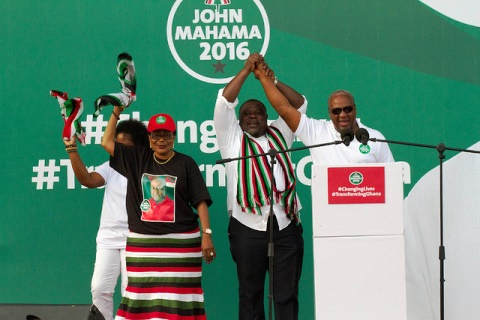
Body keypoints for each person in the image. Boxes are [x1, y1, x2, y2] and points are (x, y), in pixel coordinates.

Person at [213, 53, 305, 320]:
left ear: (268, 116)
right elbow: (223, 102)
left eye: (258, 112)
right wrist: (246, 71)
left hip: (286, 224)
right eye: (247, 114)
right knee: (251, 295)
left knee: (287, 295)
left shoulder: (282, 132)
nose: (253, 117)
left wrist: (271, 80)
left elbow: (299, 105)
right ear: (239, 121)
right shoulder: (231, 139)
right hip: (247, 226)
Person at [101, 107, 215, 320]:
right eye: (156, 135)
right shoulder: (137, 158)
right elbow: (106, 143)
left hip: (182, 245)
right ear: (149, 138)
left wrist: (206, 233)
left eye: (166, 135)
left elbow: (200, 200)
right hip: (143, 245)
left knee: (179, 299)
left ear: (174, 137)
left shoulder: (186, 163)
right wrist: (116, 112)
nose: (161, 140)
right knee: (140, 299)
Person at [63, 119, 149, 320]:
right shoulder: (110, 166)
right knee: (99, 288)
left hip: (136, 238)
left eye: (124, 147)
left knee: (131, 291)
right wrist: (72, 149)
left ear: (139, 147)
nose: (117, 151)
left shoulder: (149, 168)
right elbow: (88, 180)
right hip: (108, 238)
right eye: (116, 146)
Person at [253, 63, 394, 164]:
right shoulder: (317, 132)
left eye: (347, 109)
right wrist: (267, 80)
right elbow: (284, 109)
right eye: (336, 111)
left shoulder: (375, 138)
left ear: (355, 109)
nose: (343, 115)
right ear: (329, 113)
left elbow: (391, 180)